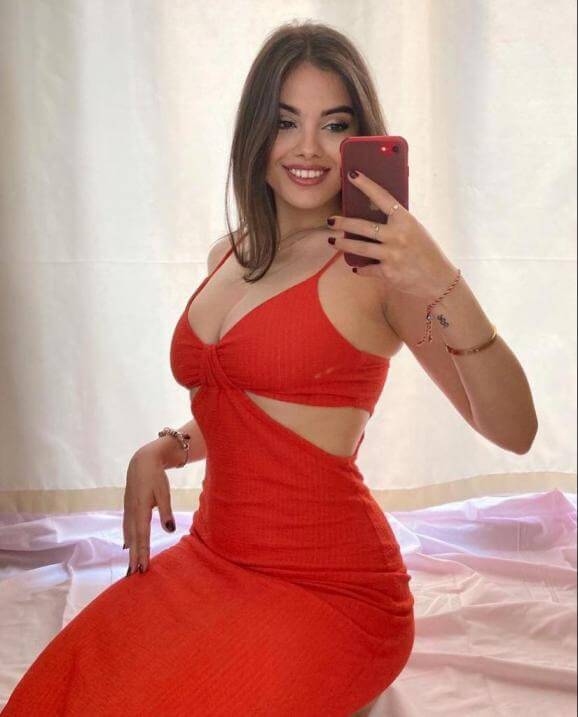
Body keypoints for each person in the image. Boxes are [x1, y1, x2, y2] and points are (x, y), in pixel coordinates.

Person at [3, 21, 417, 716]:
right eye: (285, 122)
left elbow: (510, 420)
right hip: (214, 556)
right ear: (256, 134)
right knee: (53, 697)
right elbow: (250, 413)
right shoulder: (229, 253)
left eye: (333, 125)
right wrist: (166, 447)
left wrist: (439, 279)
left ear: (360, 140)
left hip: (333, 587)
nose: (307, 147)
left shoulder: (374, 270)